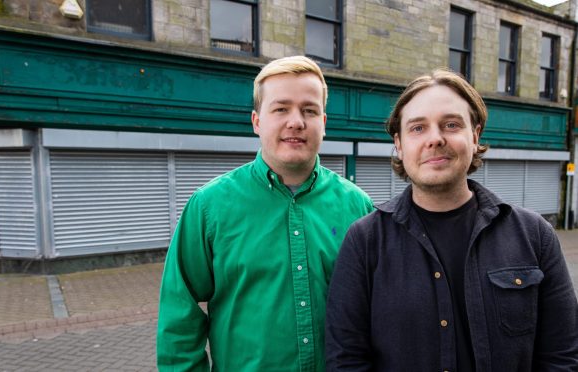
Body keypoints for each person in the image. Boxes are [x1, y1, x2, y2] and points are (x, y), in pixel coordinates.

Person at [325, 69, 578, 371]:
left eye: (451, 124)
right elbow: (346, 360)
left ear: (474, 136)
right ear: (399, 144)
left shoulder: (535, 235)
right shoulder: (365, 241)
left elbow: (563, 357)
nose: (435, 138)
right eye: (418, 128)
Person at [157, 55, 373, 371]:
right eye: (281, 108)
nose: (296, 121)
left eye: (309, 110)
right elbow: (179, 315)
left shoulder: (358, 207)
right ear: (257, 121)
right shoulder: (209, 207)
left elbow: (377, 312)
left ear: (323, 123)